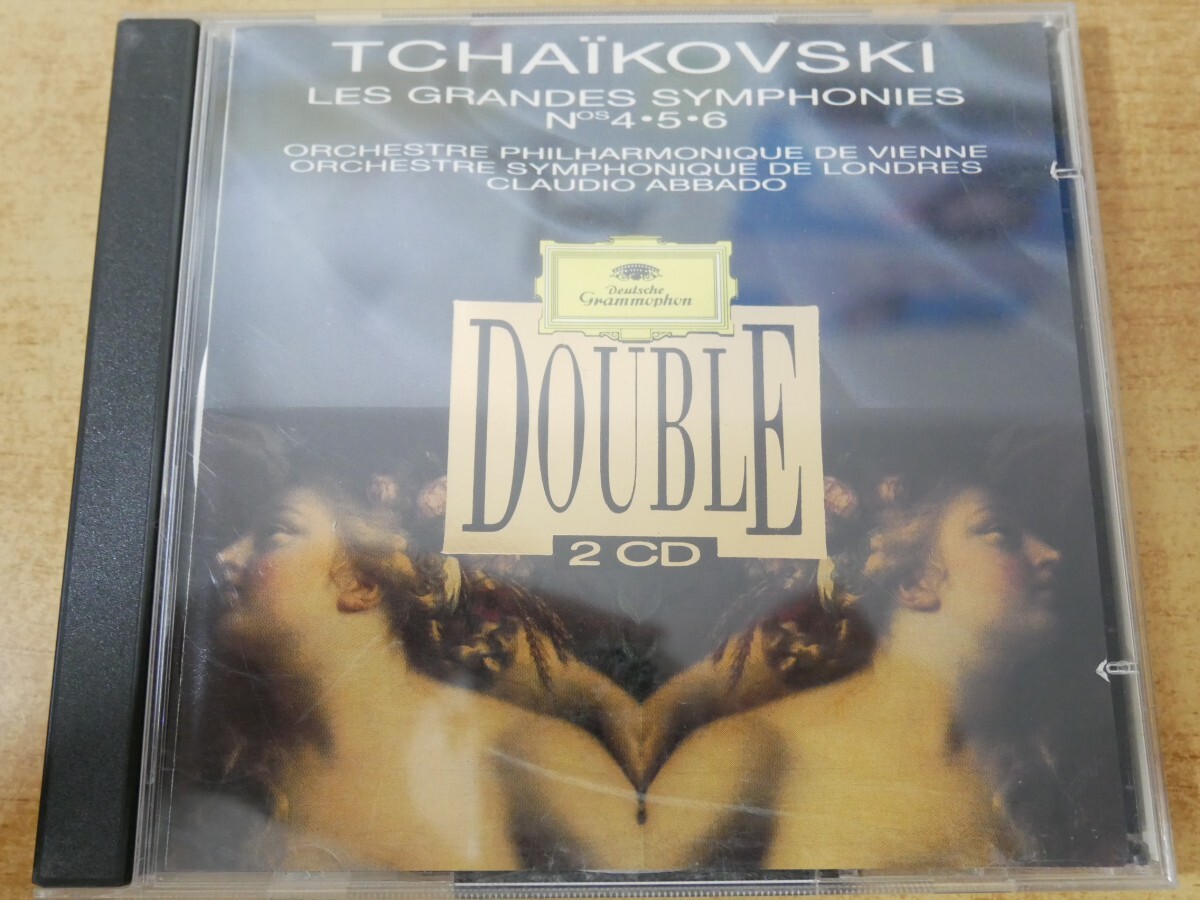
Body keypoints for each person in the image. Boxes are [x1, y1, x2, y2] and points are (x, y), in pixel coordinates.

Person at [212, 476, 643, 872]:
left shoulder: (531, 753)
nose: (223, 557)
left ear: (362, 584)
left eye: (274, 534)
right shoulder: (229, 764)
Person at [640, 478, 1062, 870]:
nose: (1051, 554)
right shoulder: (754, 750)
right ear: (915, 583)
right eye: (1000, 533)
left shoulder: (1051, 761)